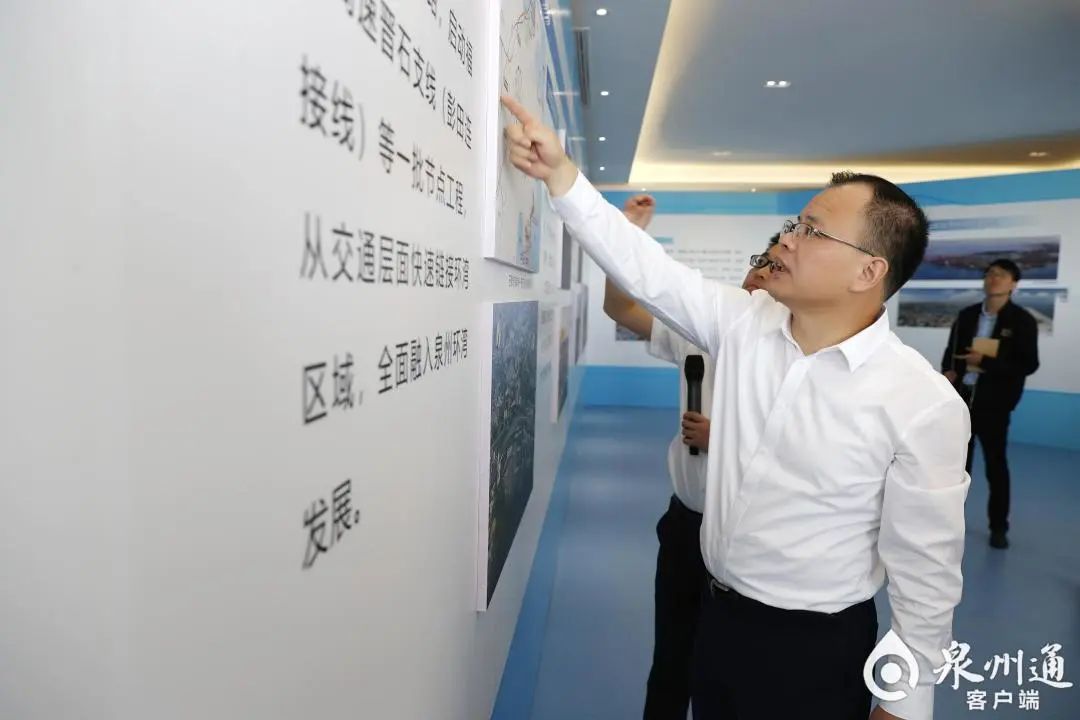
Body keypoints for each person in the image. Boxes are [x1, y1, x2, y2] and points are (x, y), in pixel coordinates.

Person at [502, 95, 969, 720]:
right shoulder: (744, 324)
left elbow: (926, 569)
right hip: (716, 618)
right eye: (795, 224)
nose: (787, 240)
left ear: (868, 272)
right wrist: (562, 175)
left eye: (811, 230)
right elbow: (649, 273)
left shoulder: (921, 402)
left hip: (813, 650)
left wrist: (905, 701)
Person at [605, 194, 778, 719]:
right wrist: (628, 234)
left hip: (753, 534)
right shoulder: (700, 334)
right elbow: (620, 309)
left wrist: (725, 438)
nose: (759, 274)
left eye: (775, 268)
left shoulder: (802, 357)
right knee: (671, 659)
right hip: (686, 523)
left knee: (730, 672)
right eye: (760, 262)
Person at [942, 259, 1039, 549]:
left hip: (995, 404)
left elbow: (1028, 364)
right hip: (962, 400)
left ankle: (998, 527)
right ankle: (949, 523)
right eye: (990, 274)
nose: (994, 278)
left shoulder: (1022, 320)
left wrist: (984, 361)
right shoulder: (967, 315)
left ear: (1013, 284)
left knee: (995, 467)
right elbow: (951, 351)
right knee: (956, 467)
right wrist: (949, 370)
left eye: (1002, 275)